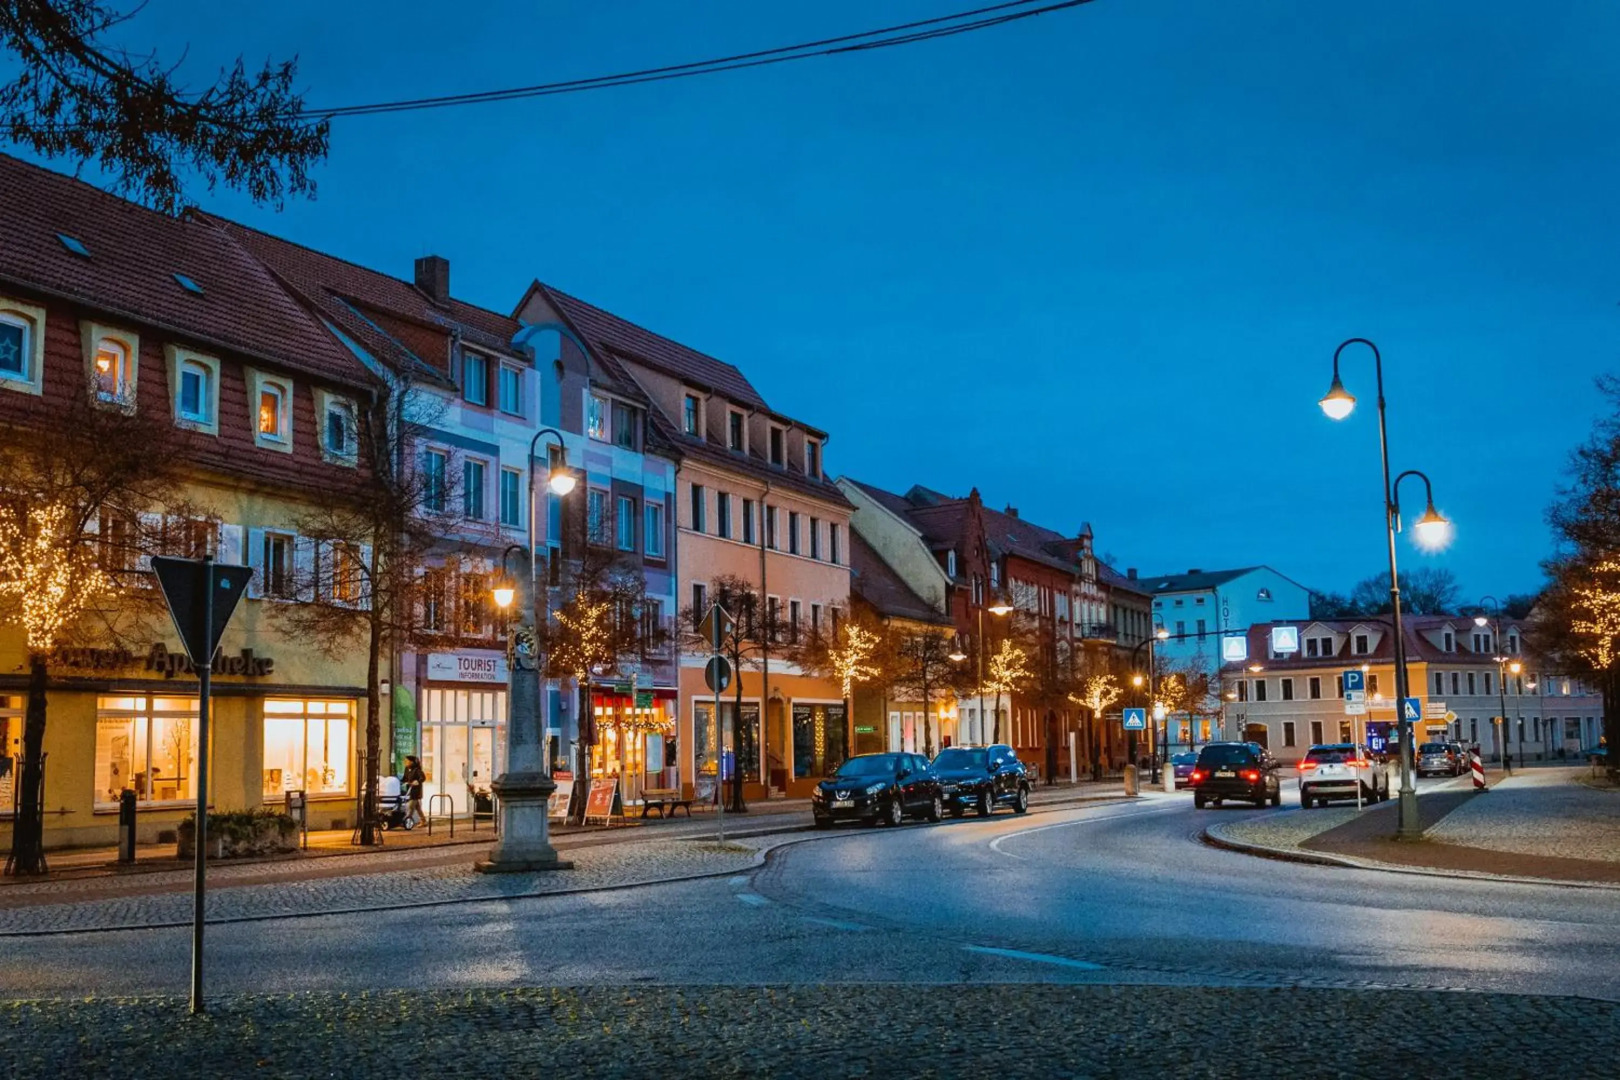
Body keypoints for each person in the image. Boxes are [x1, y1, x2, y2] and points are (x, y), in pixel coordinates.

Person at [402, 755, 426, 828]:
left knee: (411, 806)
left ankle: (407, 821)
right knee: (417, 807)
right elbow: (404, 778)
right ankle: (424, 821)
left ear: (411, 762)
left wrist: (417, 782)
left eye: (407, 761)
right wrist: (401, 782)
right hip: (409, 791)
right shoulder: (406, 769)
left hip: (415, 791)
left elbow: (423, 778)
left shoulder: (417, 770)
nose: (405, 762)